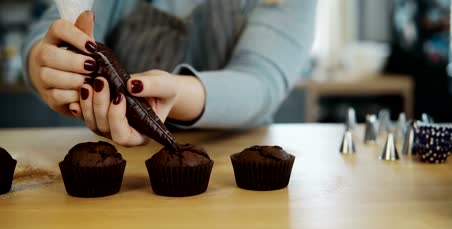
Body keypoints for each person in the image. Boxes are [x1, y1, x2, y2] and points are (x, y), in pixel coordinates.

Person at [21, 0, 316, 146]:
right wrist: (44, 63)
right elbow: (48, 34)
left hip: (235, 164)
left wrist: (174, 92)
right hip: (123, 169)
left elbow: (261, 81)